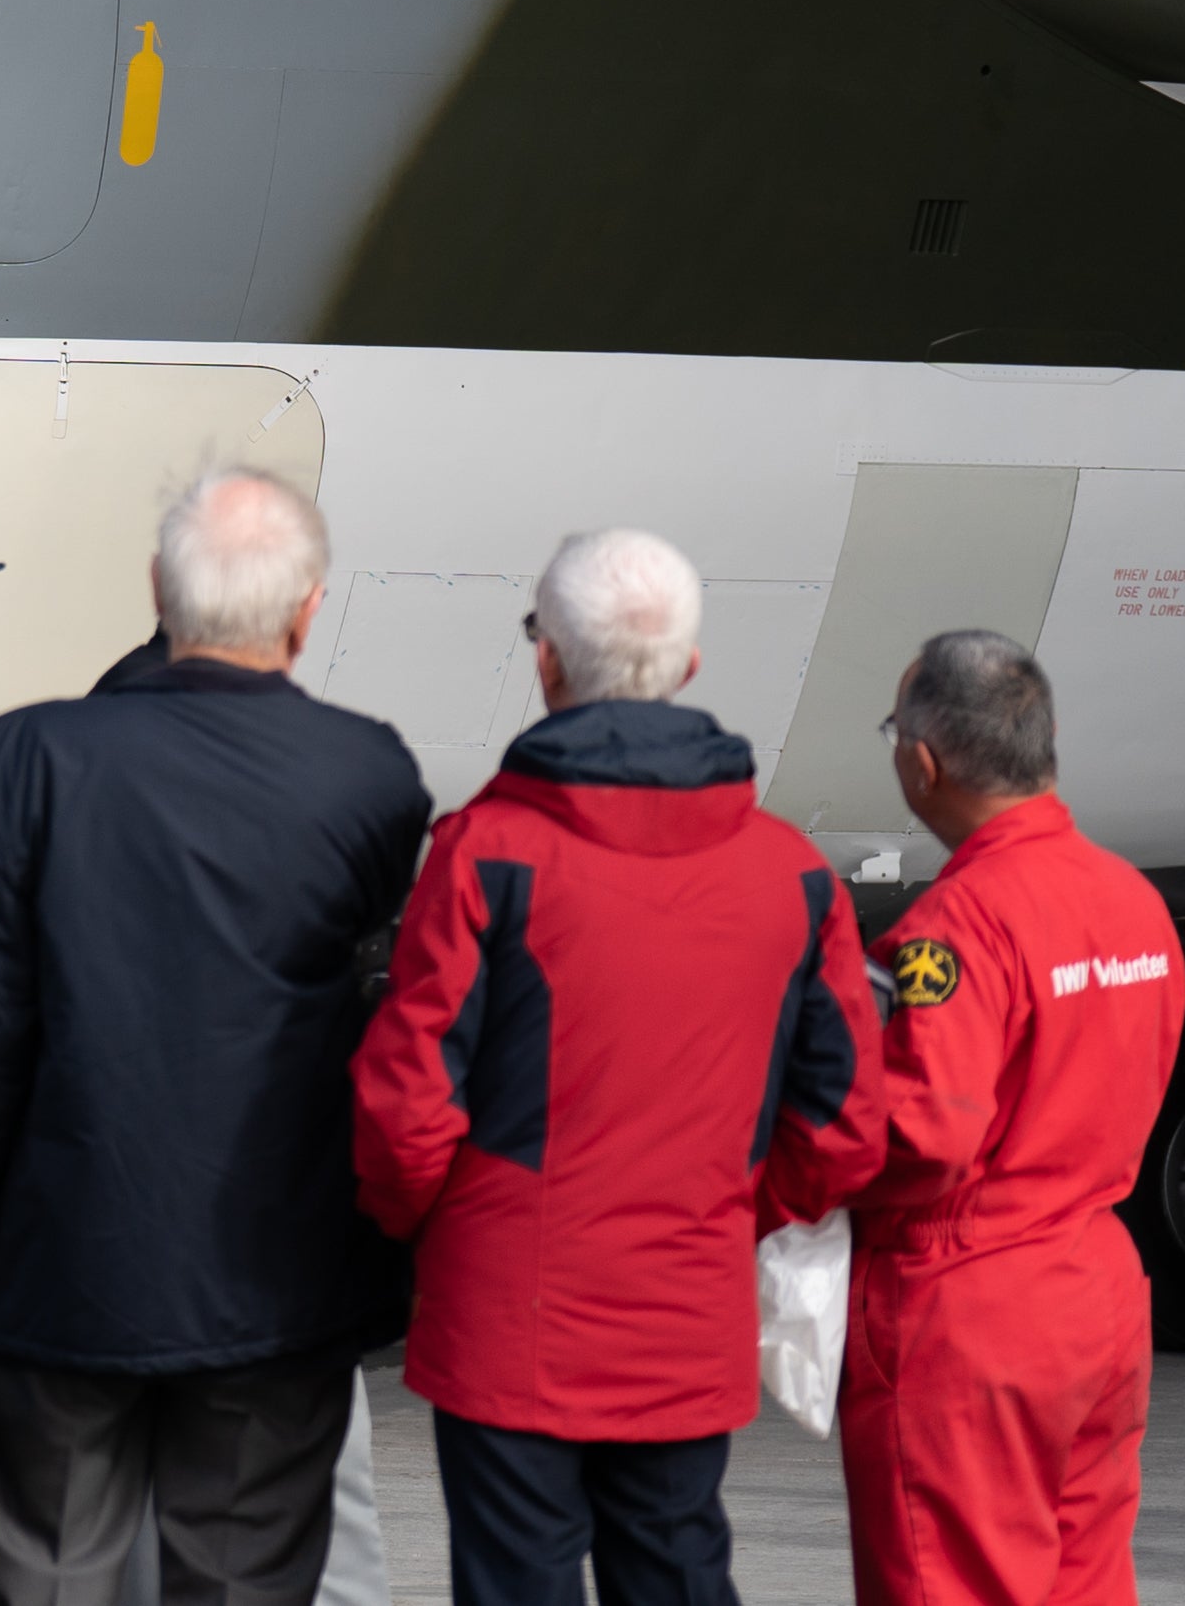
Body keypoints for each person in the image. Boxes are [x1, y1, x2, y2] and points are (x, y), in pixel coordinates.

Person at [0, 473, 423, 1606]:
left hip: (60, 1277)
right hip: (274, 1290)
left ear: (157, 592)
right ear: (306, 608)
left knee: (40, 1575)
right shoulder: (368, 774)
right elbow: (392, 1039)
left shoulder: (22, 758)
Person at [353, 528, 885, 1606]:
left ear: (544, 658)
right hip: (683, 1311)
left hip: (507, 1315)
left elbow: (406, 1106)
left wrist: (434, 1227)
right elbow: (843, 1130)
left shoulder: (484, 851)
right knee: (679, 1574)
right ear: (687, 666)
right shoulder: (787, 870)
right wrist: (731, 1206)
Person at [839, 633, 1181, 1606]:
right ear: (1044, 741)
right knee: (1082, 1582)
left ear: (920, 762)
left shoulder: (947, 933)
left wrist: (797, 1171)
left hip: (970, 1308)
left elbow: (921, 1137)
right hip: (1096, 1291)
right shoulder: (1130, 903)